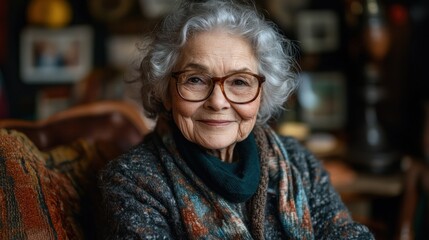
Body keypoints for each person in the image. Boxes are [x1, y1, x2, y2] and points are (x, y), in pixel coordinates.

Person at [99, 0, 375, 239]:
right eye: (195, 79)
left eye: (240, 82)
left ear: (261, 94)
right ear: (166, 93)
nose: (218, 102)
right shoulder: (133, 181)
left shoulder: (297, 161)